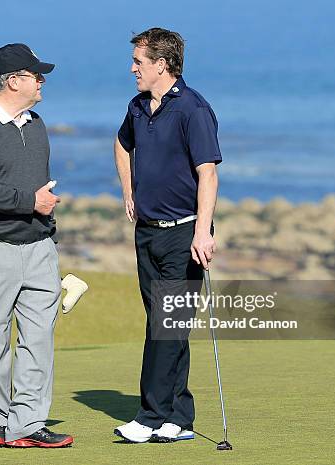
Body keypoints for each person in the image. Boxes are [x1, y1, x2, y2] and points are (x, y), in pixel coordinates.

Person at [0, 43, 73, 448]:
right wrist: (31, 202)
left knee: (38, 339)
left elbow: (37, 185)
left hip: (38, 246)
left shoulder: (36, 124)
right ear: (14, 80)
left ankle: (28, 422)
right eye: (36, 75)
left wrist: (46, 217)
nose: (42, 81)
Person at [113, 28, 222, 443]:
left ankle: (151, 415)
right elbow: (123, 144)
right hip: (147, 233)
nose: (133, 68)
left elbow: (207, 172)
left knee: (165, 325)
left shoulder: (193, 109)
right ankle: (179, 415)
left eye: (139, 62)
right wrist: (129, 190)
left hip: (184, 236)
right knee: (168, 326)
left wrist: (202, 232)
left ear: (162, 64)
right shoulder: (138, 106)